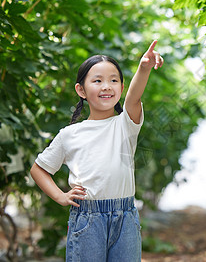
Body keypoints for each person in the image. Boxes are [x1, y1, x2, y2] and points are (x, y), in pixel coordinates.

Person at [30, 40, 164, 261]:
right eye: (97, 80)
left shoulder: (125, 124)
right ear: (81, 90)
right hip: (87, 219)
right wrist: (60, 196)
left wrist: (144, 67)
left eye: (113, 80)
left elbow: (135, 98)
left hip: (126, 218)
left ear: (121, 88)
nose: (106, 86)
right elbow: (39, 169)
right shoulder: (69, 135)